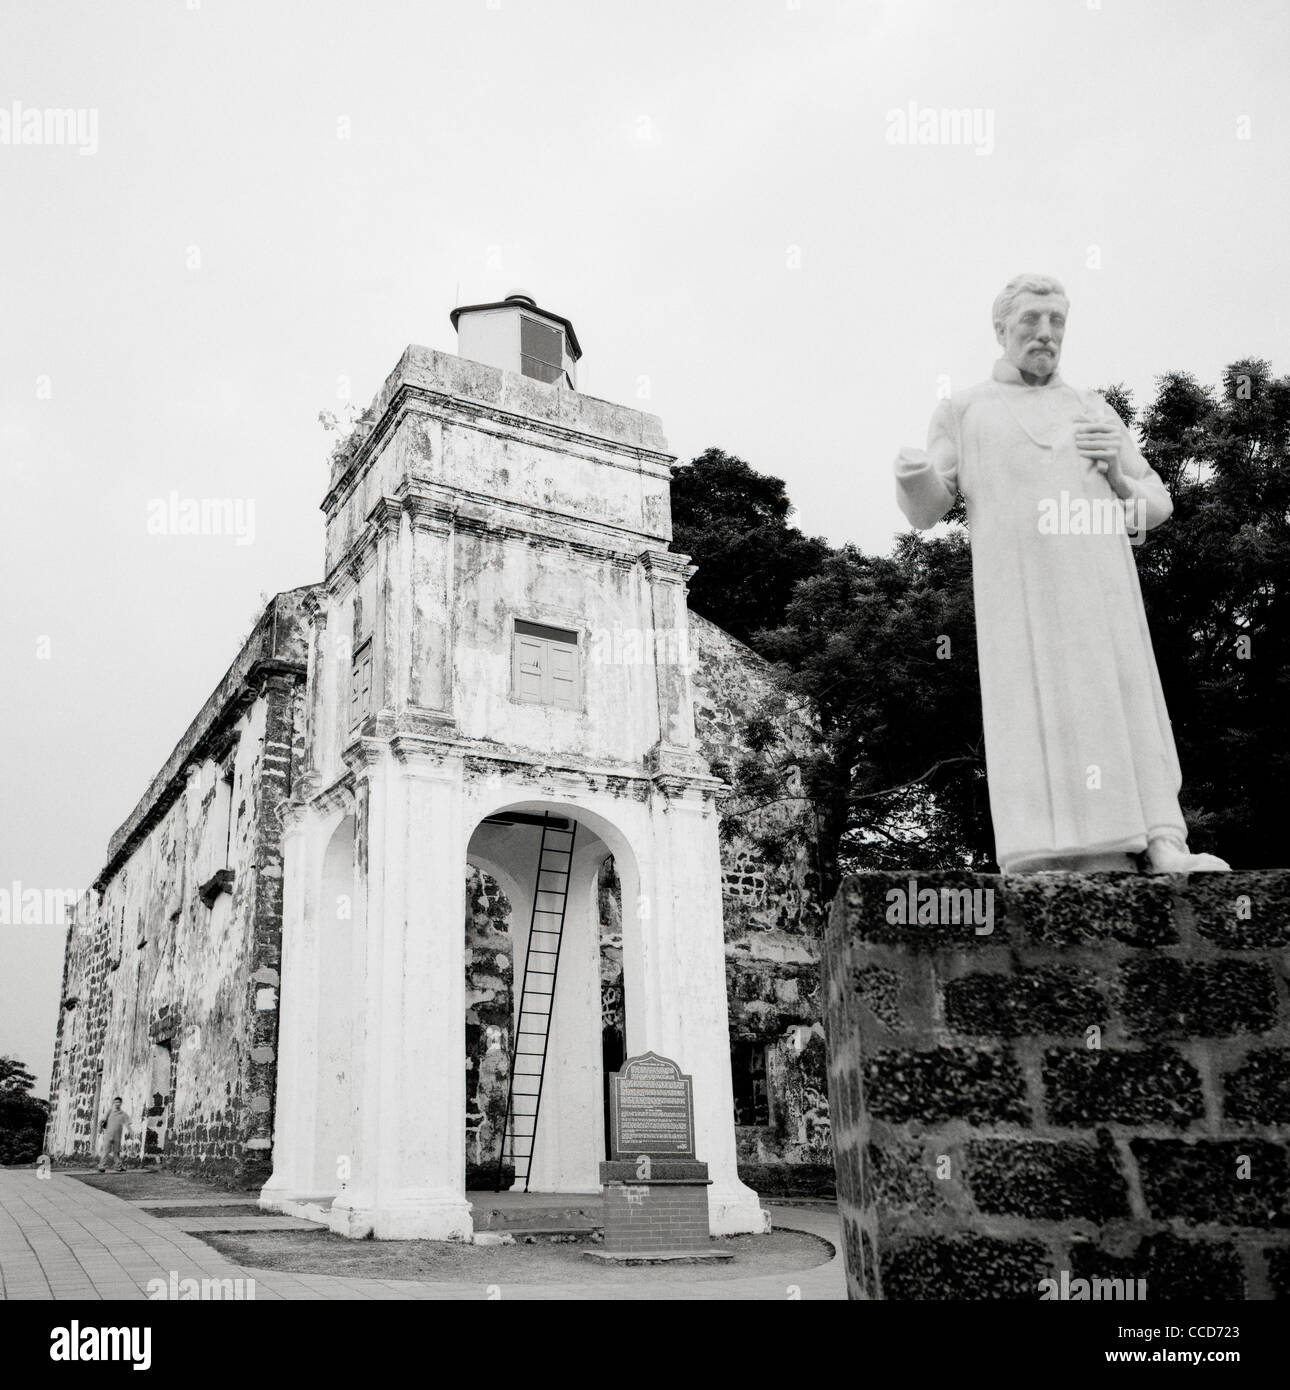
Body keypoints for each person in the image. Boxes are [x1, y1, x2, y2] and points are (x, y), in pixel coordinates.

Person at [894, 273, 1229, 875]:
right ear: (1002, 329)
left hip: (1100, 587)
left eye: (1057, 324)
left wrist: (1120, 476)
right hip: (1018, 595)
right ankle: (1046, 851)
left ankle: (1159, 841)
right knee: (1033, 705)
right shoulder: (964, 409)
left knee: (1118, 696)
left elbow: (1154, 507)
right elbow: (927, 509)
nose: (1046, 335)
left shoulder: (1090, 408)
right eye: (1031, 322)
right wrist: (912, 472)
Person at [98, 1096, 130, 1173]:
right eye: (116, 1102)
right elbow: (102, 1121)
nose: (117, 1104)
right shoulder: (109, 1111)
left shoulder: (123, 1114)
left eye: (119, 1102)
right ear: (113, 1103)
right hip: (108, 1134)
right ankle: (102, 1166)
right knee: (105, 1151)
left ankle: (118, 1166)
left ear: (121, 1103)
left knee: (116, 1152)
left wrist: (131, 1132)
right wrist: (100, 1128)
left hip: (117, 1136)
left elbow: (127, 1124)